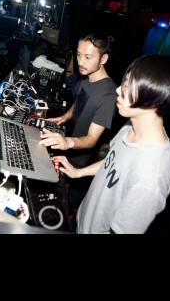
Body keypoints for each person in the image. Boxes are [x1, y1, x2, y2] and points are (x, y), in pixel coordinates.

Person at [53, 54, 170, 234]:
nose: (118, 90)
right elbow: (112, 162)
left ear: (154, 100)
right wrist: (79, 172)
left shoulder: (151, 176)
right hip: (80, 223)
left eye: (127, 86)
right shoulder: (129, 127)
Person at [39, 33, 118, 215]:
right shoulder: (86, 77)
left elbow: (92, 139)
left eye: (88, 57)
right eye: (79, 55)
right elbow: (79, 101)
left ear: (104, 59)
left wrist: (67, 142)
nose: (81, 62)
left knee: (61, 201)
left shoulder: (108, 96)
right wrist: (65, 117)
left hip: (79, 159)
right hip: (67, 143)